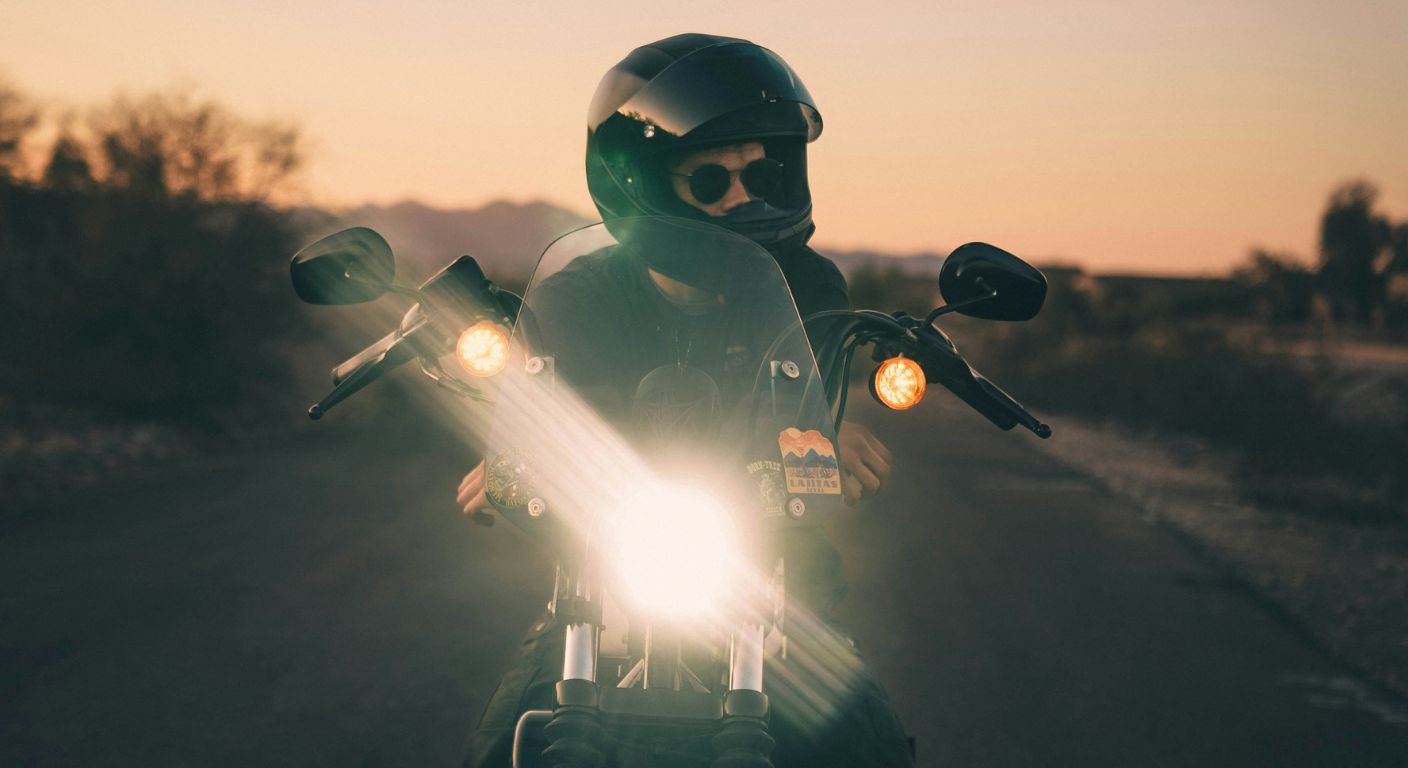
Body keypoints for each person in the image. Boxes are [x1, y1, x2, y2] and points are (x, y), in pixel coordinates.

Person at [457, 34, 913, 767]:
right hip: (604, 586)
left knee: (872, 748)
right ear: (641, 182)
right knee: (500, 747)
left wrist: (827, 435)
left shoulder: (810, 288)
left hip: (776, 580)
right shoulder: (578, 296)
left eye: (762, 171)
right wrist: (518, 454)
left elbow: (804, 409)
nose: (743, 196)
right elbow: (558, 403)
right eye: (709, 180)